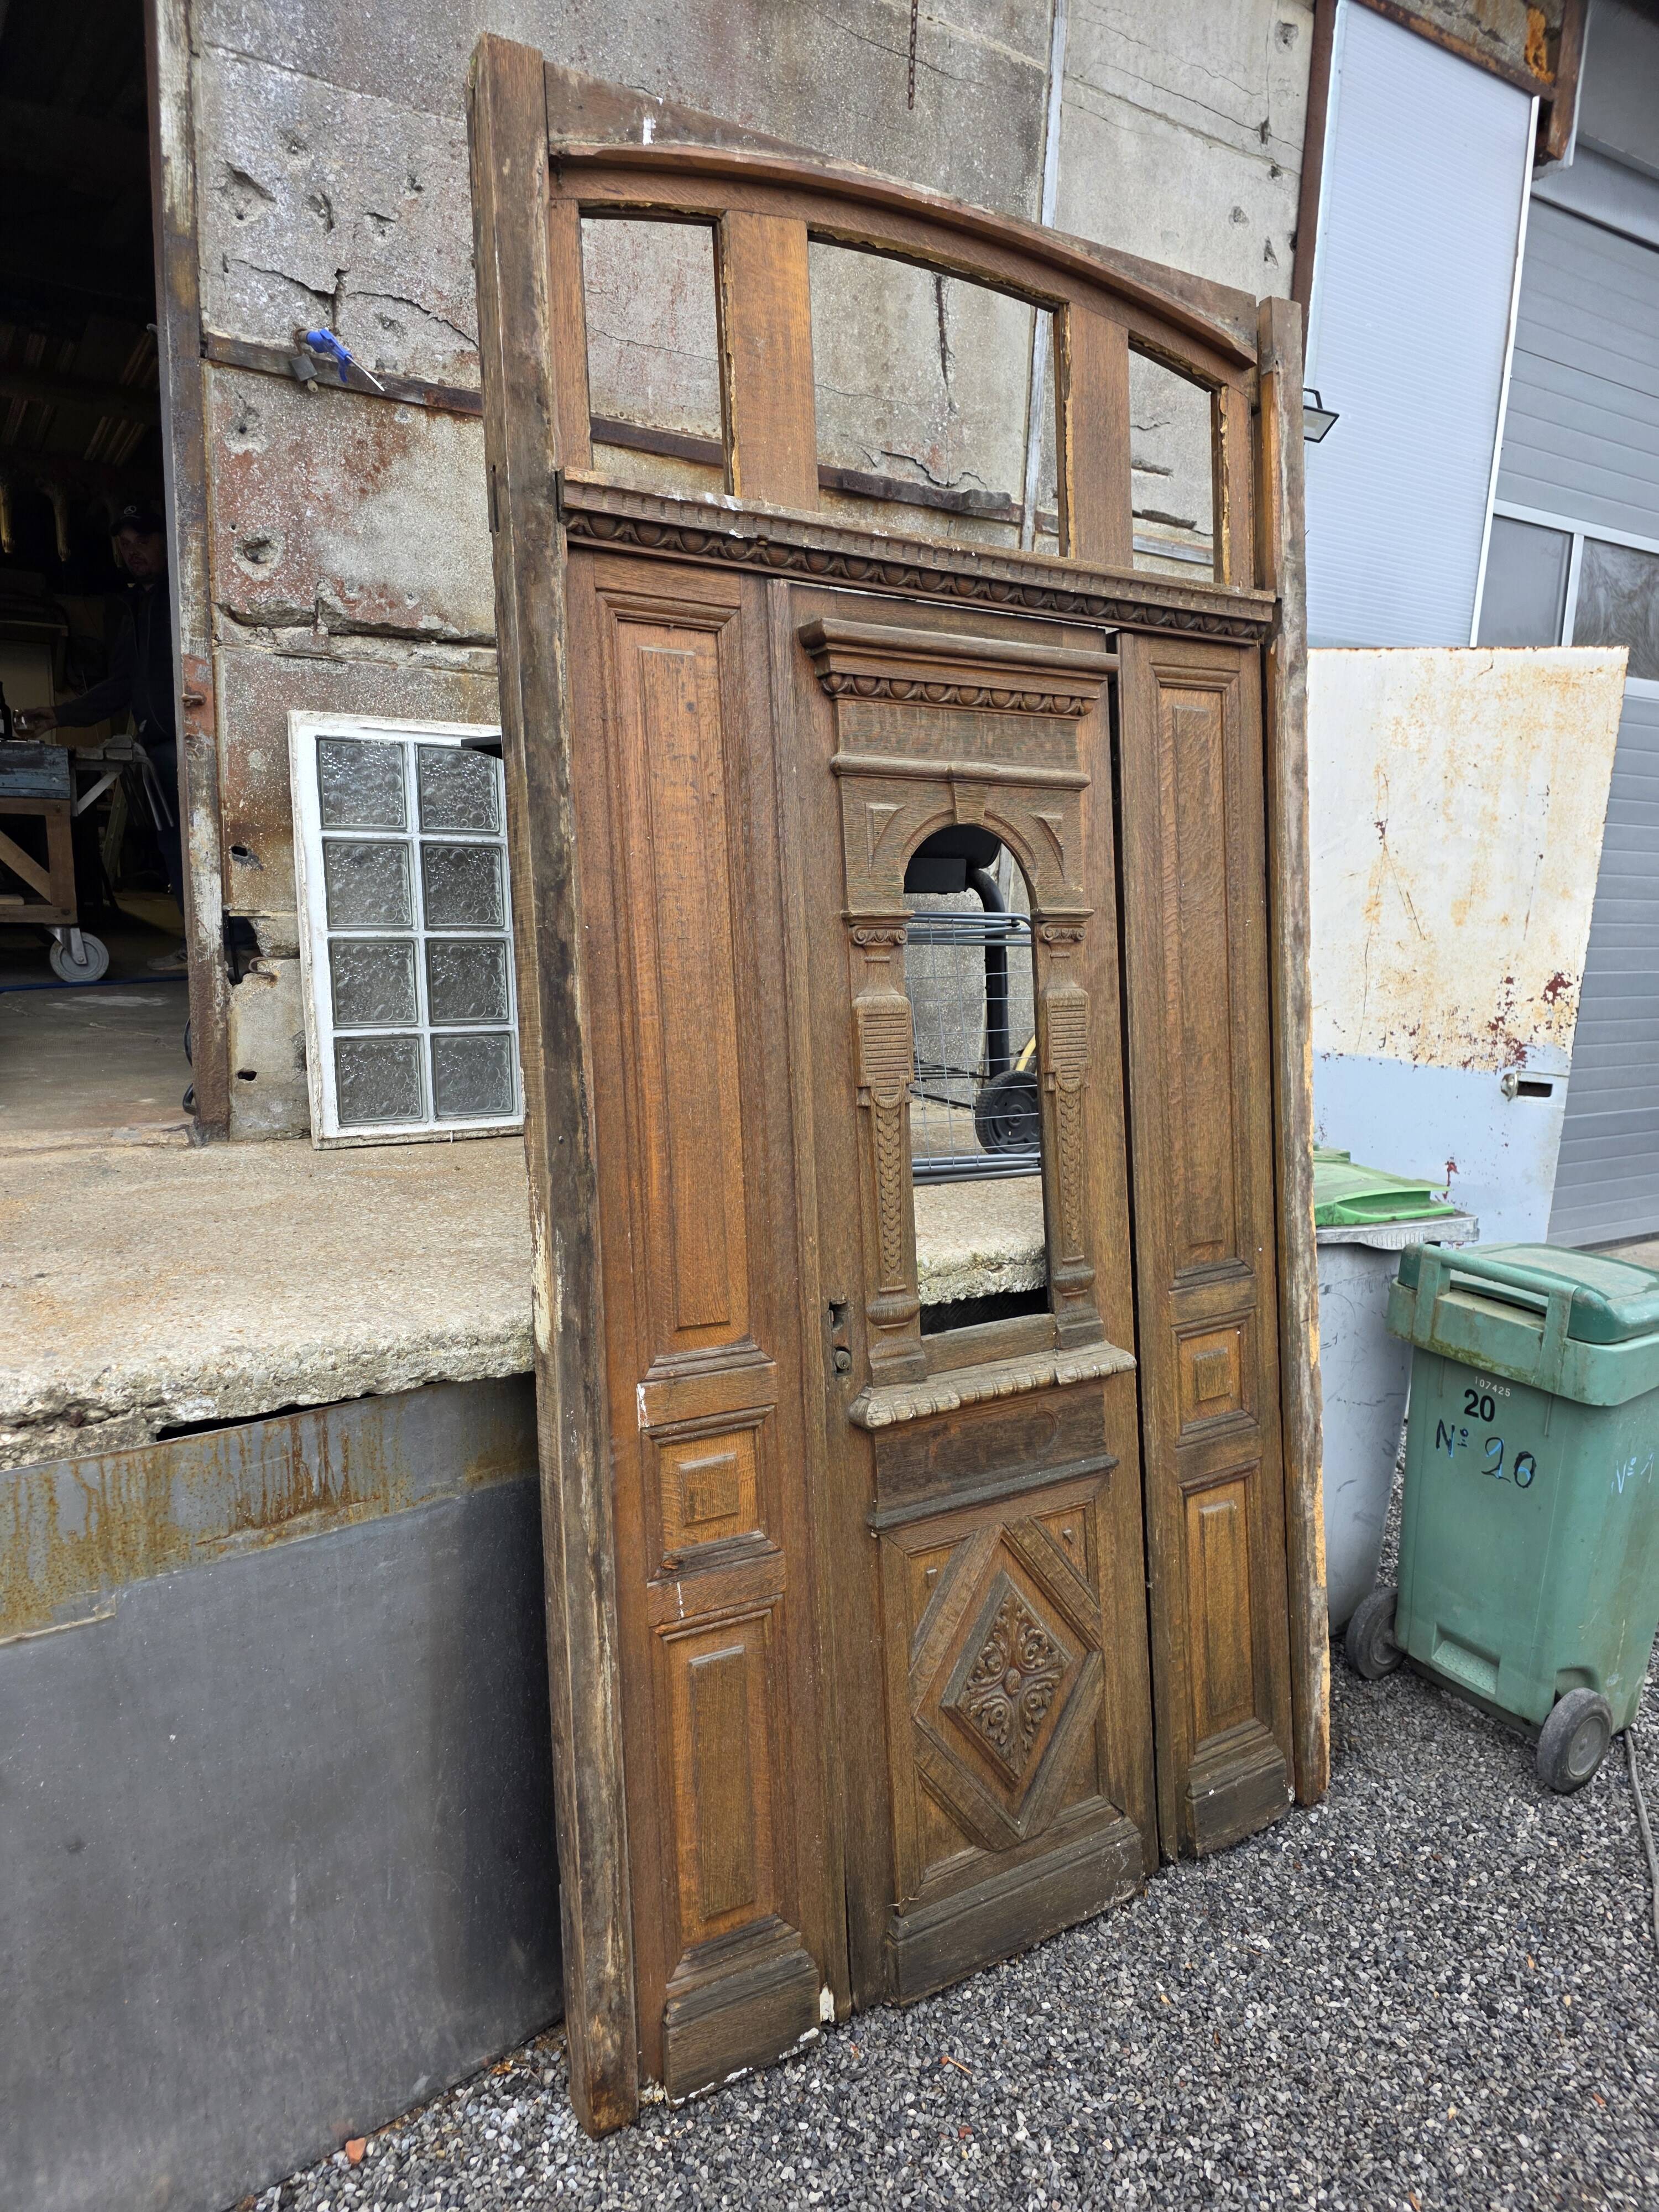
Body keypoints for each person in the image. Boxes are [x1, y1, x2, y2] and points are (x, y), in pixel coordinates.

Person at [15, 502, 187, 973]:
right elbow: (122, 684)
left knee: (204, 846)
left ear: (169, 542)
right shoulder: (134, 606)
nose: (135, 553)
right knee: (174, 845)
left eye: (144, 542)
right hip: (157, 746)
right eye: (126, 546)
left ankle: (230, 945)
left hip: (195, 742)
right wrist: (58, 715)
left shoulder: (186, 596)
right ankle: (200, 945)